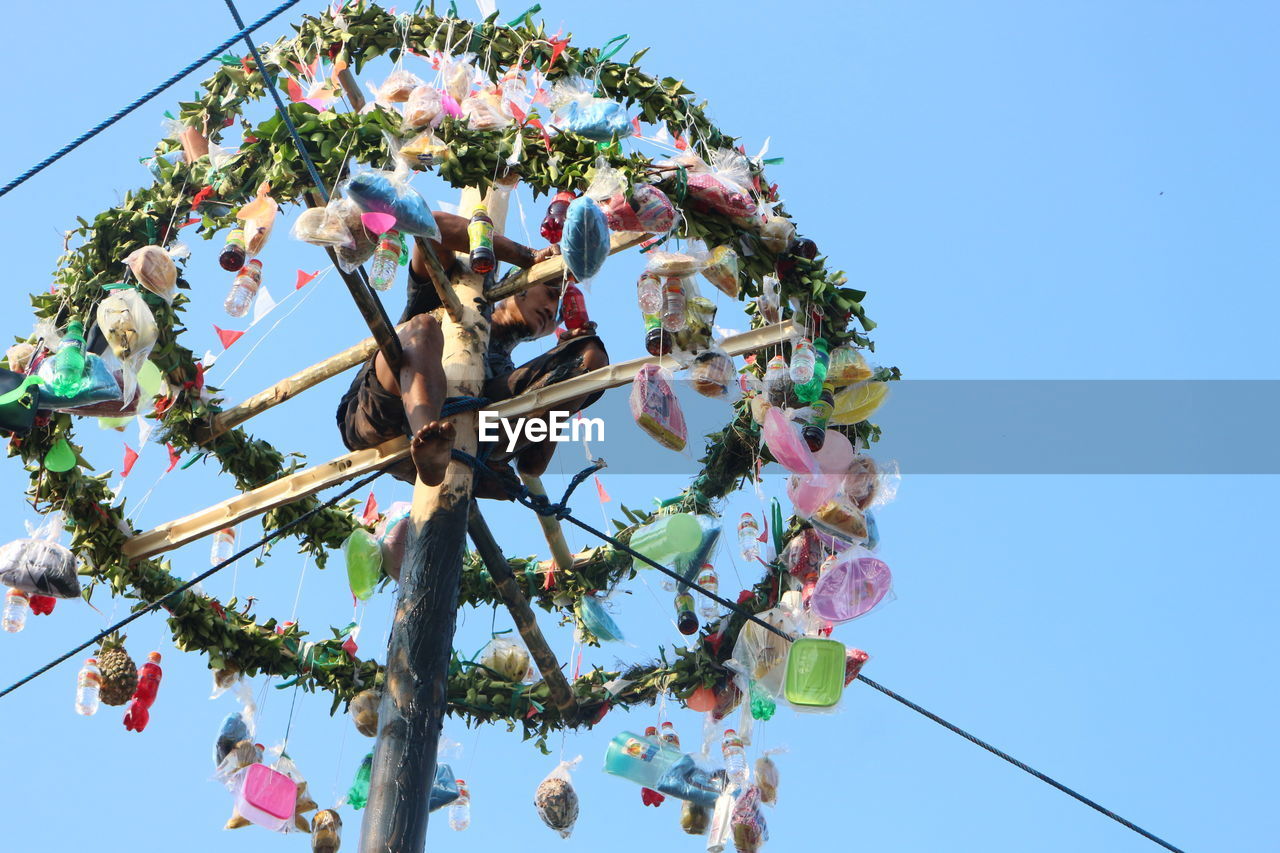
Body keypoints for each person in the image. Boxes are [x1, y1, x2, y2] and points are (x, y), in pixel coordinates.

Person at [336, 209, 609, 497]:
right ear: (522, 286)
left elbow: (532, 464)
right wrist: (527, 257)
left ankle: (452, 457)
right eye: (552, 294)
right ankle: (427, 439)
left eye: (561, 314)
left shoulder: (507, 374)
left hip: (463, 443)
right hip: (379, 414)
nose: (552, 312)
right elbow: (433, 227)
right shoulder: (453, 290)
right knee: (424, 327)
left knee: (591, 357)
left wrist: (564, 382)